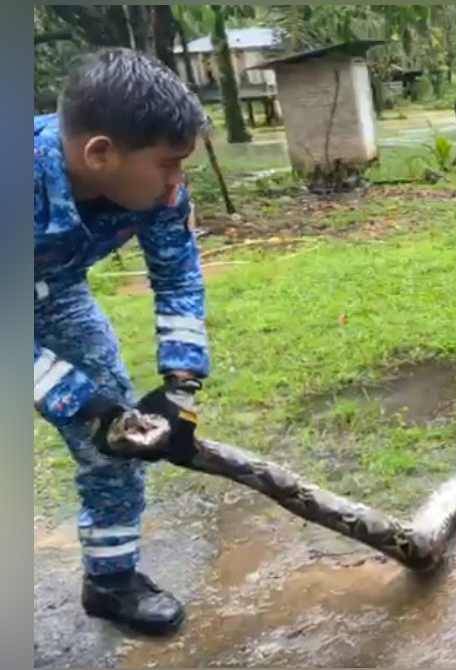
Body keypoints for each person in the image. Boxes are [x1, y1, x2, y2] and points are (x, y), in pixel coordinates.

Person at [34, 48, 210, 635]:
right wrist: (80, 403)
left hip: (54, 296)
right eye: (167, 164)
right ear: (101, 153)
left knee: (118, 441)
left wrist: (181, 387)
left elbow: (178, 275)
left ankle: (110, 583)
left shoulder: (160, 197)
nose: (177, 182)